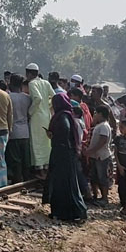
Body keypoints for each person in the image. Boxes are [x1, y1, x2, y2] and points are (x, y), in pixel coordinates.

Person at [43, 93, 88, 221]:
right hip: (64, 154)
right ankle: (63, 212)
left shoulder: (62, 117)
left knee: (64, 184)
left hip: (62, 155)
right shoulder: (66, 115)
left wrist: (54, 136)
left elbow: (64, 132)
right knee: (63, 184)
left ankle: (68, 213)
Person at [25, 63, 54, 178]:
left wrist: (30, 112)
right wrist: (48, 106)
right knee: (46, 143)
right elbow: (54, 96)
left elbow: (37, 98)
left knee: (36, 142)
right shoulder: (46, 82)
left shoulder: (32, 83)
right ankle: (46, 166)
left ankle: (39, 168)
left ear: (29, 73)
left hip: (37, 117)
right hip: (46, 116)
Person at [5, 74, 32, 184]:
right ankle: (26, 178)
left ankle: (17, 180)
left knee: (15, 159)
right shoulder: (27, 98)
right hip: (25, 131)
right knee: (25, 158)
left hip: (13, 132)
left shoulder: (8, 97)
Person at [84, 106, 113, 205]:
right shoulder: (99, 126)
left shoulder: (104, 126)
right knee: (94, 177)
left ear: (100, 114)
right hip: (95, 156)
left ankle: (104, 198)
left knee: (102, 177)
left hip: (102, 156)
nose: (94, 116)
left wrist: (91, 150)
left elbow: (103, 141)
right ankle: (95, 196)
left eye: (96, 113)